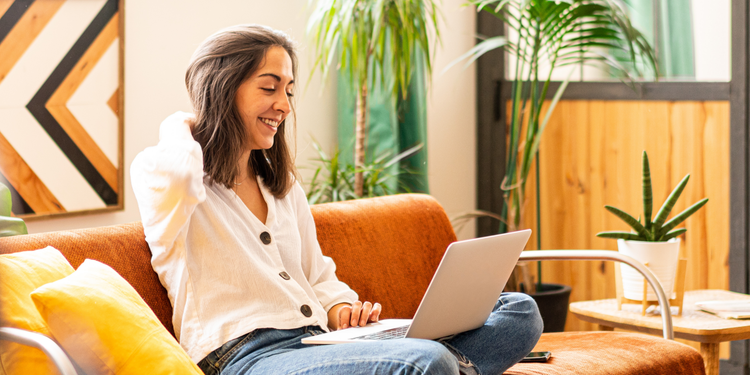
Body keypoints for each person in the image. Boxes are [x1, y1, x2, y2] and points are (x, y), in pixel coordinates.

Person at [131, 24, 543, 375]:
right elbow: (180, 171)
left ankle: (442, 367)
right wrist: (187, 117)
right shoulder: (166, 177)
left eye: (289, 91)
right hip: (243, 358)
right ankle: (441, 367)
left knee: (520, 313)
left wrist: (341, 309)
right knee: (425, 361)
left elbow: (317, 275)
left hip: (317, 344)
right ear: (223, 89)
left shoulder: (280, 185)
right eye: (269, 88)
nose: (283, 105)